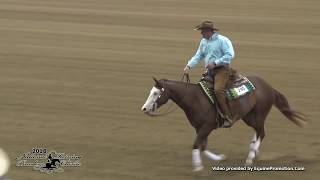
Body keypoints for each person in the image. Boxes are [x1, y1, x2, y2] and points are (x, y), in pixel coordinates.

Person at [183, 20, 235, 128]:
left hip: (222, 70)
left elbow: (230, 55)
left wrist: (215, 63)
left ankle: (227, 116)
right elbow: (198, 56)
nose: (201, 33)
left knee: (218, 90)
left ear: (209, 31)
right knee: (200, 90)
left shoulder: (223, 40)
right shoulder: (203, 41)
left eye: (202, 31)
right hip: (210, 71)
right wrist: (188, 66)